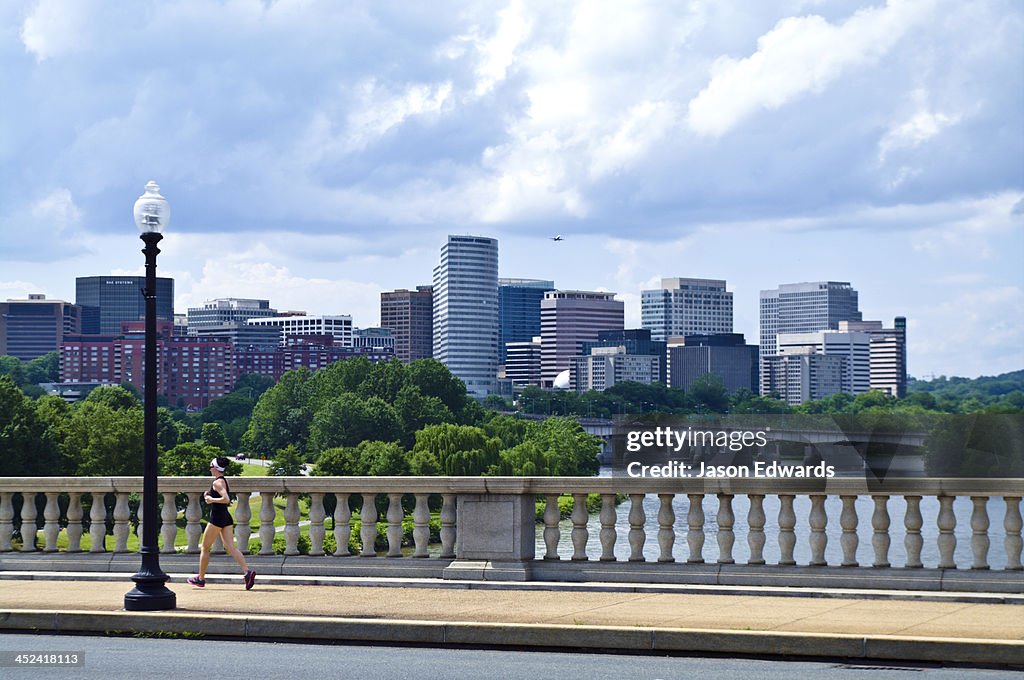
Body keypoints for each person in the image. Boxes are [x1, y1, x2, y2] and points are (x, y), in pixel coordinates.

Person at [187, 457, 256, 590]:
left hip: (217, 518)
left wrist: (210, 499)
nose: (209, 469)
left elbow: (226, 499)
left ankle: (200, 579)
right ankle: (247, 572)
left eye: (210, 466)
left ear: (215, 468)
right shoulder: (223, 481)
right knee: (230, 547)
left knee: (205, 547)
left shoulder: (217, 483)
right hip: (225, 517)